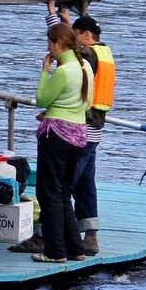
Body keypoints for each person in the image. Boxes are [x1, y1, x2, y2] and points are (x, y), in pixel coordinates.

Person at [24, 21, 89, 263]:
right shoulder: (85, 68)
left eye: (49, 43)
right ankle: (76, 248)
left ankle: (55, 251)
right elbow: (85, 103)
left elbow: (41, 98)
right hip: (78, 133)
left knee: (48, 192)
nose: (48, 48)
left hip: (57, 135)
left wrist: (44, 71)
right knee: (63, 192)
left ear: (58, 43)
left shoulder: (62, 71)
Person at [69, 15, 115, 257]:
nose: (74, 41)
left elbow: (71, 64)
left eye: (75, 35)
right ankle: (90, 235)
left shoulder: (89, 55)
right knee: (86, 183)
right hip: (98, 126)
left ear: (86, 35)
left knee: (64, 183)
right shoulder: (106, 52)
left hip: (83, 126)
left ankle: (52, 233)